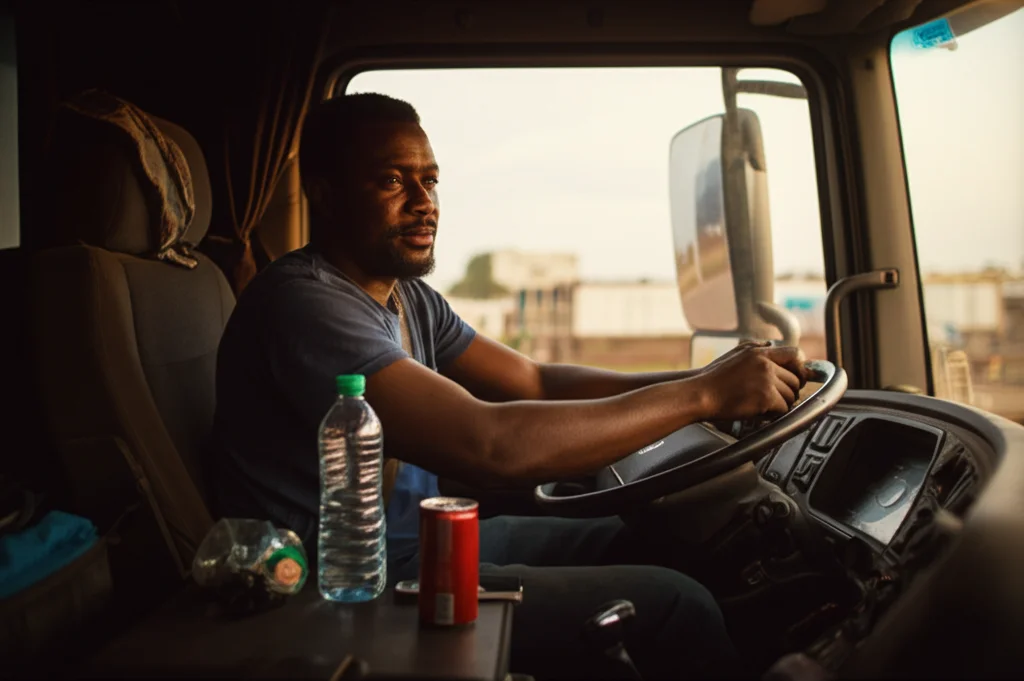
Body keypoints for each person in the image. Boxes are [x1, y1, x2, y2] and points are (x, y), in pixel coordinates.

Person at [210, 93, 807, 680]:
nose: (424, 203)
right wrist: (704, 398)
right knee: (678, 604)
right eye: (393, 181)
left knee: (664, 544)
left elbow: (534, 379)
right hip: (348, 581)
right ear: (324, 193)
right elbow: (490, 445)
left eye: (430, 180)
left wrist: (711, 377)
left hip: (421, 542)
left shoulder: (404, 294)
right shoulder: (305, 304)